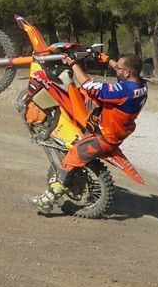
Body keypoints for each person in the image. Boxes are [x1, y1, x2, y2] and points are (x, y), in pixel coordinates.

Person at [24, 53, 148, 214]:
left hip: (104, 136)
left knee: (72, 158)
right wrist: (106, 60)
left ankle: (47, 200)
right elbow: (121, 72)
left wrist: (72, 63)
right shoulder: (141, 85)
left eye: (118, 68)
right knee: (82, 95)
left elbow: (89, 85)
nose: (116, 68)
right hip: (114, 129)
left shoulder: (125, 91)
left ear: (127, 73)